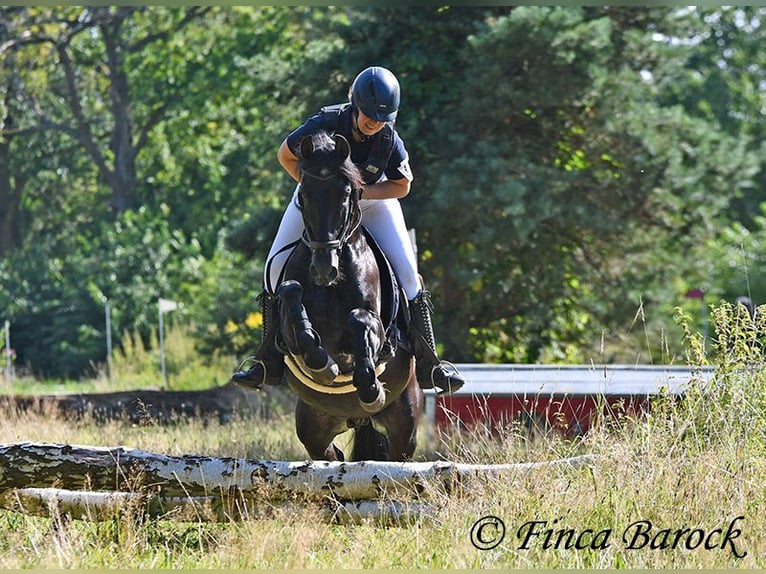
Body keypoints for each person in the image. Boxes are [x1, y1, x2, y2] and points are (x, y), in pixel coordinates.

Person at [231, 66, 464, 395]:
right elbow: (284, 154)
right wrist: (318, 191)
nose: (374, 123)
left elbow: (403, 185)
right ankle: (266, 360)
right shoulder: (324, 123)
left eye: (382, 118)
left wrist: (358, 193)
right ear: (355, 105)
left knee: (410, 276)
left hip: (371, 201)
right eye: (369, 115)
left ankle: (430, 364)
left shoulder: (388, 138)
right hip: (321, 202)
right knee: (272, 270)